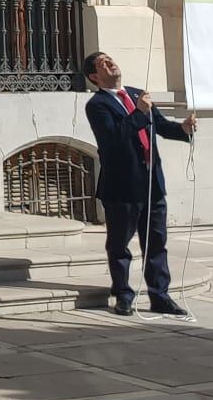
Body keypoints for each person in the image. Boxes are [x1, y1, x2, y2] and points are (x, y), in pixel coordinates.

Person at [83, 51, 196, 317]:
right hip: (122, 187)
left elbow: (161, 127)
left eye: (110, 59)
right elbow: (113, 139)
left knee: (156, 241)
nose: (111, 64)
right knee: (120, 243)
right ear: (94, 77)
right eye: (103, 64)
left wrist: (183, 129)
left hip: (152, 183)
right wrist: (139, 113)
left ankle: (160, 295)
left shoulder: (137, 94)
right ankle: (123, 293)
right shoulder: (97, 105)